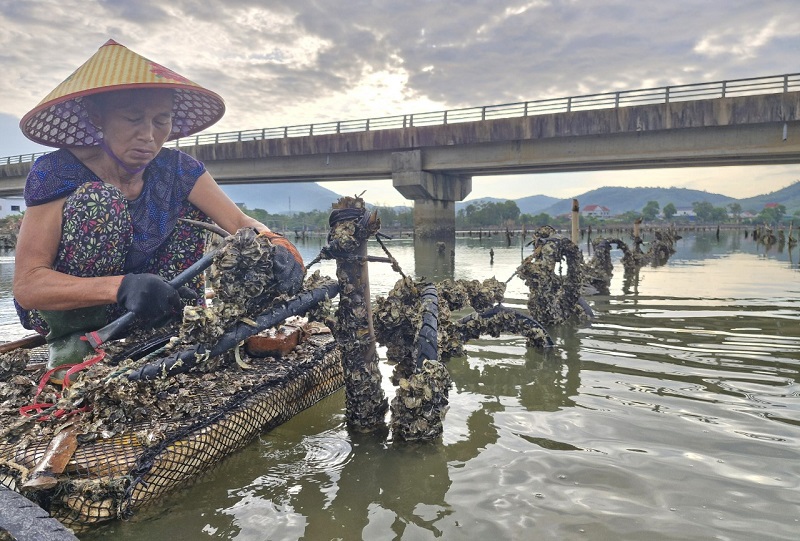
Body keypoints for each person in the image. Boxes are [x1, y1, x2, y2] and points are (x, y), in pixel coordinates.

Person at [13, 39, 304, 380]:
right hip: (71, 308)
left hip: (153, 300)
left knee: (198, 214)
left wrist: (278, 244)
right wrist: (122, 287)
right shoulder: (56, 172)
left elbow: (239, 222)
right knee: (99, 201)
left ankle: (171, 320)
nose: (149, 136)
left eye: (160, 121)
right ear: (97, 118)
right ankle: (71, 342)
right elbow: (29, 285)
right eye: (133, 119)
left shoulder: (179, 169)